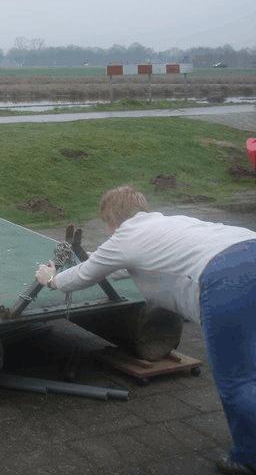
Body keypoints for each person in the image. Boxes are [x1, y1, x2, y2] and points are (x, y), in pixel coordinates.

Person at [34, 186, 256, 475]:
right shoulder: (170, 222)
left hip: (227, 279)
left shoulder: (125, 237)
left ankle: (247, 458)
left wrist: (52, 279)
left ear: (111, 219)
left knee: (239, 378)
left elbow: (84, 276)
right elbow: (118, 267)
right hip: (247, 246)